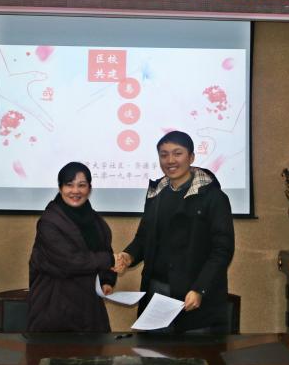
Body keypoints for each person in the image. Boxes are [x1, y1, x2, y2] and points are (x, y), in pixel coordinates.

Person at [113, 130, 235, 333]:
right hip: (156, 291)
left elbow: (222, 250)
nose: (170, 160)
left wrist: (200, 289)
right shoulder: (157, 193)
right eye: (164, 155)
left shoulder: (213, 197)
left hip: (193, 294)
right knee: (153, 351)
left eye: (177, 153)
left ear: (191, 157)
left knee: (193, 350)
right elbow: (143, 238)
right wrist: (129, 256)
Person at [26, 162, 117, 332]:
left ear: (89, 188)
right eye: (69, 185)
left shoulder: (96, 221)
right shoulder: (49, 222)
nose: (76, 191)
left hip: (89, 308)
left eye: (82, 185)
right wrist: (110, 260)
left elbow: (105, 251)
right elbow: (70, 262)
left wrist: (107, 280)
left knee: (97, 348)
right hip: (54, 308)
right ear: (60, 188)